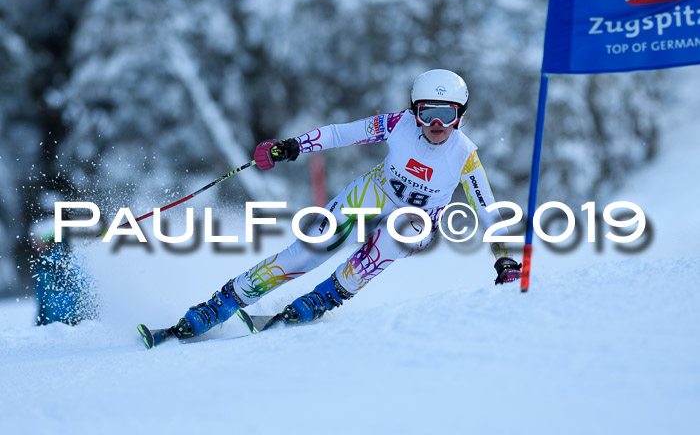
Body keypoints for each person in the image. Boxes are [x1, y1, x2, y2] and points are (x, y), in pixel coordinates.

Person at [170, 69, 521, 339]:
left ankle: (320, 300)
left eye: (447, 113)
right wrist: (292, 147)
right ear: (414, 110)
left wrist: (504, 258)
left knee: (390, 240)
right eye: (428, 112)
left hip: (415, 220)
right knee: (308, 251)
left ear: (462, 115)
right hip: (375, 193)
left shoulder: (465, 155)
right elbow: (342, 133)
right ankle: (221, 304)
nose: (436, 123)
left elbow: (486, 207)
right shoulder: (398, 124)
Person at [29, 218, 97, 325]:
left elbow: (48, 301)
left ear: (49, 240)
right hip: (66, 325)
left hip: (68, 324)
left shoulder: (53, 264)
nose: (34, 245)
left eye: (37, 240)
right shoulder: (50, 262)